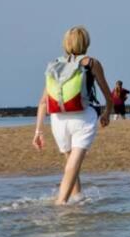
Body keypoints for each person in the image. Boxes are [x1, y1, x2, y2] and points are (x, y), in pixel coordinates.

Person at [32, 26, 115, 206]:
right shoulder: (91, 63)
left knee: (70, 163)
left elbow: (43, 102)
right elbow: (108, 95)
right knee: (73, 164)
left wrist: (38, 131)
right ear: (86, 42)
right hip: (82, 118)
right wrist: (107, 113)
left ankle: (77, 200)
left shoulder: (55, 64)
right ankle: (61, 203)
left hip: (58, 120)